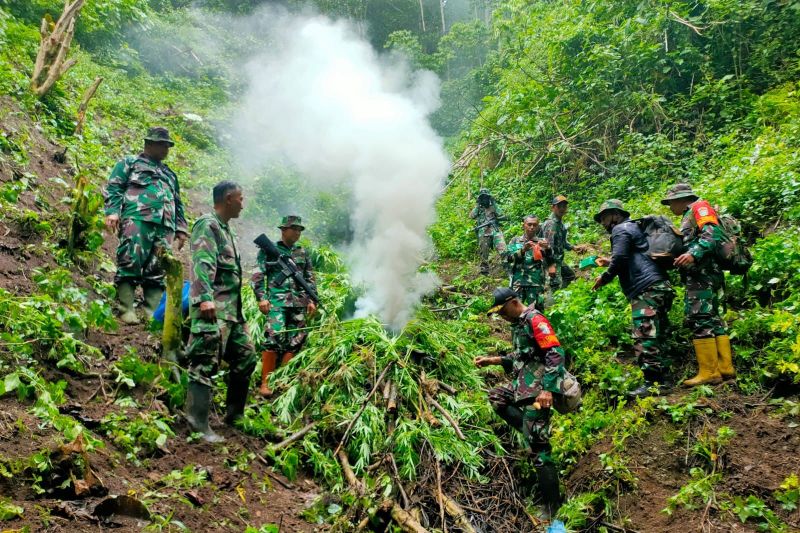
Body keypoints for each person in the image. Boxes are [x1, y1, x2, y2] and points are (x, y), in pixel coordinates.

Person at [475, 288, 568, 517]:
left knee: (539, 451)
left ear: (513, 302)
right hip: (522, 388)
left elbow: (555, 353)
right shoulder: (518, 325)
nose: (501, 316)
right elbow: (519, 359)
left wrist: (548, 389)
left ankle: (552, 506)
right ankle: (530, 431)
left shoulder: (535, 320)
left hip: (538, 393)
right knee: (496, 397)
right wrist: (492, 360)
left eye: (502, 311)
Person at [184, 181, 256, 443]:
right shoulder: (208, 224)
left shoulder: (227, 230)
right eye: (240, 198)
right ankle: (197, 424)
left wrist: (239, 315)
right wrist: (204, 299)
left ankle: (234, 416)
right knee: (204, 360)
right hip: (212, 308)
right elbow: (202, 263)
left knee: (246, 357)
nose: (242, 204)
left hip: (232, 312)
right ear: (227, 199)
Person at [104, 127, 188, 324]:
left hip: (165, 225)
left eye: (168, 146)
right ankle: (126, 308)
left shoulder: (169, 173)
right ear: (149, 143)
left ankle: (151, 311)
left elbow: (177, 201)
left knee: (158, 267)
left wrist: (181, 228)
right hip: (138, 218)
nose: (166, 149)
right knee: (130, 259)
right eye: (163, 145)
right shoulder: (130, 163)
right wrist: (113, 212)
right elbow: (114, 187)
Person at [591, 200, 676, 397]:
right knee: (658, 333)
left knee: (644, 334)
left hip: (646, 288)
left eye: (604, 218)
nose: (602, 223)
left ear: (615, 214)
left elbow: (621, 258)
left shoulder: (620, 229)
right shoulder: (634, 227)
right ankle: (665, 379)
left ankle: (654, 382)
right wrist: (610, 262)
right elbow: (632, 255)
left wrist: (605, 277)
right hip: (660, 285)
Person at [661, 184, 735, 386]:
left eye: (670, 203)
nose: (670, 207)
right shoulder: (689, 214)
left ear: (680, 199)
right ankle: (725, 368)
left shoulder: (699, 207)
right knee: (712, 318)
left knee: (700, 317)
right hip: (704, 273)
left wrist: (694, 254)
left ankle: (709, 372)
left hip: (703, 274)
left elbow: (711, 233)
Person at [252, 215, 317, 397]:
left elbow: (309, 278)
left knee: (295, 341)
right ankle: (265, 383)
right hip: (277, 302)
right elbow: (258, 275)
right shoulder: (269, 250)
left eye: (299, 230)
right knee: (273, 338)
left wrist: (312, 300)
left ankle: (280, 381)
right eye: (294, 229)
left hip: (299, 303)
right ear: (283, 230)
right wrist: (261, 298)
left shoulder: (302, 252)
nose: (297, 233)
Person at [503, 216, 550, 309]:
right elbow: (508, 258)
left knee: (536, 312)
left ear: (538, 227)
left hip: (536, 283)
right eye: (529, 224)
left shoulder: (542, 242)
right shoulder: (515, 240)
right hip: (518, 283)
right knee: (516, 311)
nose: (532, 227)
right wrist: (523, 250)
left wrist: (548, 248)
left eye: (534, 225)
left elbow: (550, 260)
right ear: (524, 225)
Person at [541, 195, 586, 292]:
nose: (562, 209)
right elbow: (546, 247)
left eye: (564, 206)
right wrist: (551, 265)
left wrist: (573, 247)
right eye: (559, 206)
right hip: (551, 261)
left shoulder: (560, 223)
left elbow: (563, 242)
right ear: (553, 207)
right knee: (553, 286)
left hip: (558, 260)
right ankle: (554, 300)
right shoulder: (551, 224)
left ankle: (563, 296)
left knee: (569, 275)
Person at [469, 188, 507, 275]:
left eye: (486, 197)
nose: (484, 199)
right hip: (483, 231)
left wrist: (494, 203)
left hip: (495, 229)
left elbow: (501, 214)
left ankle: (507, 266)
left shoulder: (493, 206)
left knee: (502, 248)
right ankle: (484, 270)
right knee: (484, 251)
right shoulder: (479, 208)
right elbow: (471, 216)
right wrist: (478, 205)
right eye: (482, 198)